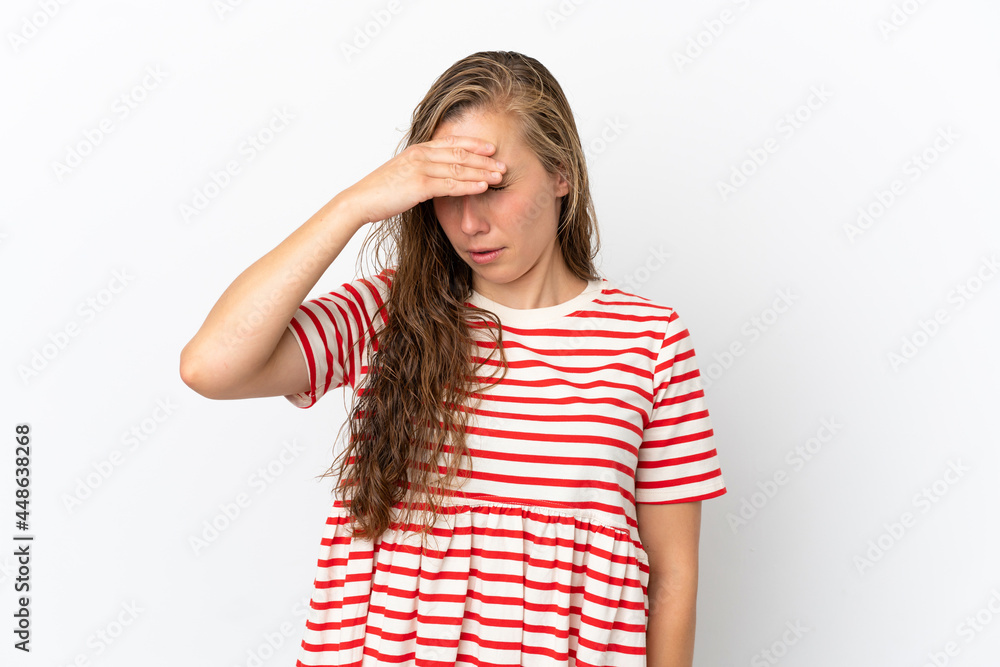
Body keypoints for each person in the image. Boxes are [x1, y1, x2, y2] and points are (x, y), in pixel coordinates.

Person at [180, 50, 727, 667]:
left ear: (561, 173)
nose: (468, 222)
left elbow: (673, 577)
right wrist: (354, 204)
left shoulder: (648, 340)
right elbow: (210, 366)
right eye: (445, 192)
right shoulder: (389, 312)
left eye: (493, 187)